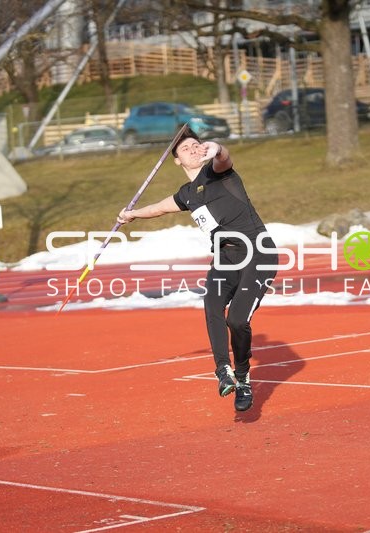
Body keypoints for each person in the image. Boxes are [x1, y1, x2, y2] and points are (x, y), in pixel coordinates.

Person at [117, 130, 277, 412]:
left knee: (237, 321)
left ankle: (242, 378)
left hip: (258, 254)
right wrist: (132, 214)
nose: (193, 150)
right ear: (177, 161)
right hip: (226, 258)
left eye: (196, 145)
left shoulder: (219, 174)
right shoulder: (188, 194)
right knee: (212, 304)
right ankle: (223, 370)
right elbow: (160, 208)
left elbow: (224, 157)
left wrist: (215, 148)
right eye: (186, 149)